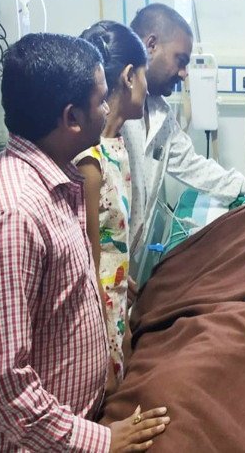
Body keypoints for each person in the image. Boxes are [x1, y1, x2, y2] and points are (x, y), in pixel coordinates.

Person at [0, 33, 169, 451]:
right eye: (100, 101)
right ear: (72, 118)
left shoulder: (60, 182)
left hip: (71, 424)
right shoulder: (15, 215)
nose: (107, 110)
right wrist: (100, 441)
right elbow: (2, 386)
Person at [122, 3, 245, 276]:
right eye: (181, 60)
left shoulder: (160, 113)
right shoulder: (111, 112)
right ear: (151, 45)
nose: (184, 73)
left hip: (123, 259)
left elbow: (193, 166)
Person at [76, 21, 148, 387]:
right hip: (94, 325)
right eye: (144, 76)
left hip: (116, 306)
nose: (146, 88)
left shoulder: (117, 145)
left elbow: (107, 235)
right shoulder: (89, 161)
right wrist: (100, 360)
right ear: (129, 76)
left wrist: (120, 273)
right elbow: (85, 267)